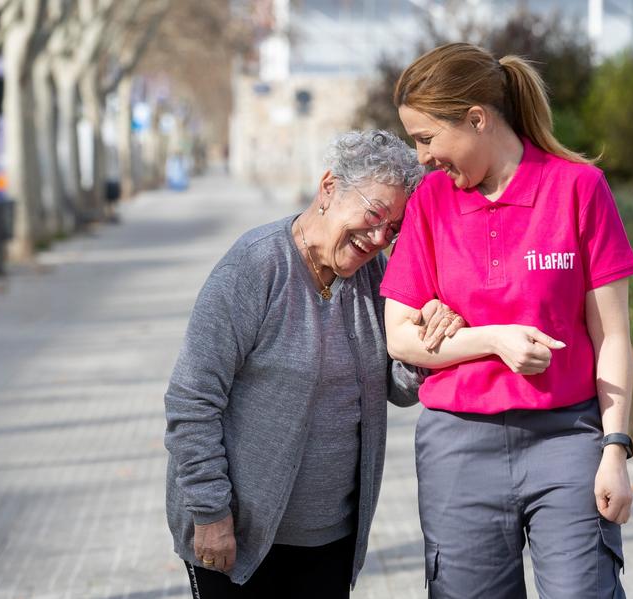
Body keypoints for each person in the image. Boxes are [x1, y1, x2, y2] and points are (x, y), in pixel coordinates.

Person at [381, 43, 633, 599]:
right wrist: (494, 340)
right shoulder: (430, 202)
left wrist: (615, 449)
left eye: (426, 138)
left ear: (477, 119)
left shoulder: (579, 188)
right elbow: (399, 337)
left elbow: (613, 337)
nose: (421, 158)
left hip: (568, 439)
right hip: (458, 446)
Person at [164, 129, 463, 599]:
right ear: (328, 188)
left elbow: (395, 387)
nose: (378, 238)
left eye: (393, 229)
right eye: (374, 214)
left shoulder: (374, 276)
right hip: (236, 534)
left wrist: (425, 341)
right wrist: (209, 512)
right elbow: (191, 399)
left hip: (330, 539)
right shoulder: (254, 267)